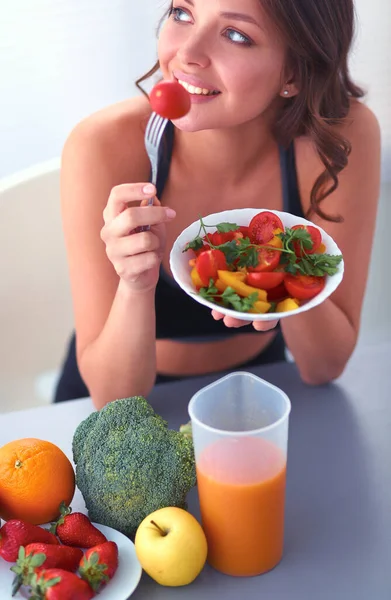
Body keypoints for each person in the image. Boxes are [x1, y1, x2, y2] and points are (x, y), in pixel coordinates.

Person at [55, 0, 381, 409]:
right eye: (182, 13)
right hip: (131, 404)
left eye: (236, 35)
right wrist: (135, 285)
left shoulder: (338, 140)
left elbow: (323, 367)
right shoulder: (102, 146)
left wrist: (286, 280)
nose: (187, 55)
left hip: (258, 388)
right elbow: (112, 397)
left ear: (294, 72)